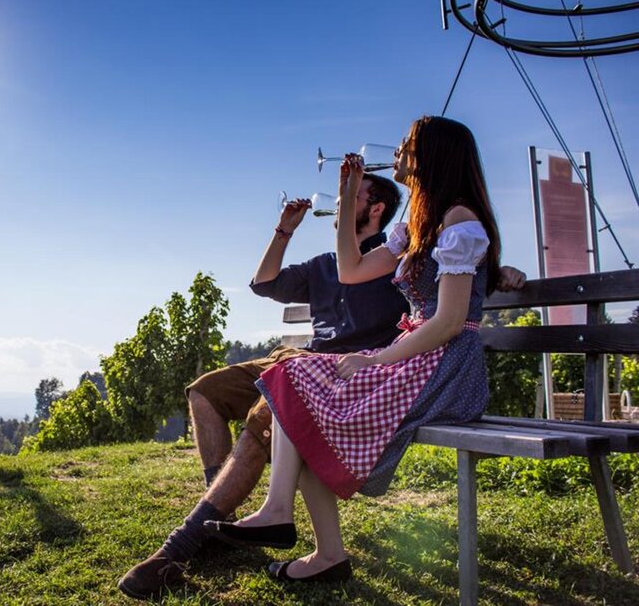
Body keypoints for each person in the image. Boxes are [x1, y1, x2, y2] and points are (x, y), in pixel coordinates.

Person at [118, 160, 524, 599]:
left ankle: (192, 538)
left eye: (356, 195)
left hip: (359, 365)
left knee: (279, 402)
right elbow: (264, 283)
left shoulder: (418, 250)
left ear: (378, 207)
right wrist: (286, 229)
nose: (338, 203)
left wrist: (498, 270)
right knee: (206, 391)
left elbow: (453, 286)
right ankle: (223, 512)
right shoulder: (335, 262)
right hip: (305, 358)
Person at [203, 115, 510, 584]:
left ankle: (303, 534)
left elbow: (448, 323)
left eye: (408, 147)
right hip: (416, 355)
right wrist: (347, 200)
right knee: (292, 381)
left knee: (303, 395)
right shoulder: (416, 226)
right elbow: (351, 269)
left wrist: (374, 359)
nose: (400, 155)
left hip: (445, 367)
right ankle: (285, 517)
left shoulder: (460, 222)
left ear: (431, 157)